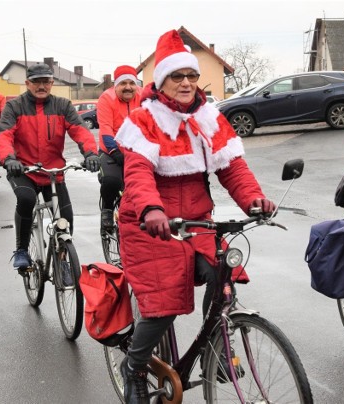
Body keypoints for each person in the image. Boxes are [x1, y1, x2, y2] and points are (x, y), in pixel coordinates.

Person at [114, 29, 276, 404]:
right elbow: (137, 173)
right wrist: (152, 209)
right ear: (162, 81)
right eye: (177, 76)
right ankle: (135, 368)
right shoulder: (144, 119)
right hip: (149, 224)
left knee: (223, 279)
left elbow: (232, 168)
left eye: (191, 75)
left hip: (197, 223)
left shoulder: (208, 117)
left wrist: (254, 200)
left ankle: (214, 351)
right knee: (163, 302)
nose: (186, 83)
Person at [0, 63, 100, 271]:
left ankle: (62, 261)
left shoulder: (63, 105)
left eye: (46, 82)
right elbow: (3, 135)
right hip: (23, 169)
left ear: (52, 83)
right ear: (27, 83)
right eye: (36, 82)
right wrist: (9, 159)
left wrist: (90, 154)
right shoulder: (14, 107)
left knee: (65, 218)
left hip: (53, 172)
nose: (41, 86)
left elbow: (80, 131)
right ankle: (22, 249)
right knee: (26, 199)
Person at [96, 65, 142, 229]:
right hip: (111, 150)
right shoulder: (106, 99)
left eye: (132, 83)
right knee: (111, 181)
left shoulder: (143, 97)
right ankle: (107, 209)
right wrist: (115, 151)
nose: (128, 87)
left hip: (137, 151)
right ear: (116, 85)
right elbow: (106, 129)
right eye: (123, 83)